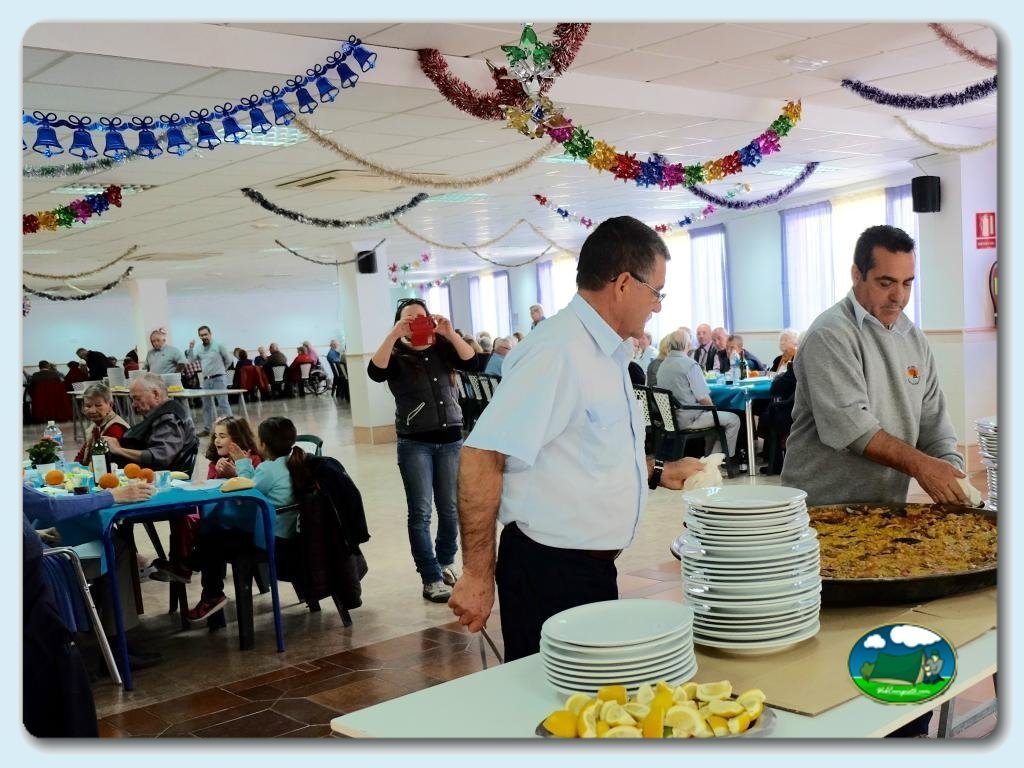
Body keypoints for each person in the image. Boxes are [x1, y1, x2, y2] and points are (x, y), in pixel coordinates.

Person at [448, 216, 704, 661]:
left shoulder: (605, 350)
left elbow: (589, 450)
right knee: (556, 709)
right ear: (624, 284)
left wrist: (660, 471)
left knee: (589, 708)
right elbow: (481, 455)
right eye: (656, 292)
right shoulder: (559, 351)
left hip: (587, 569)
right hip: (550, 572)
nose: (658, 306)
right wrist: (475, 574)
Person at [782, 225, 968, 740]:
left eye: (908, 283)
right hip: (825, 520)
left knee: (896, 651)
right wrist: (923, 468)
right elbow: (853, 430)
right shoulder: (829, 335)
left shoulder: (914, 338)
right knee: (836, 661)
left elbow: (935, 424)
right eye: (886, 282)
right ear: (856, 275)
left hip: (887, 526)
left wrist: (948, 467)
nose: (898, 295)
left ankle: (907, 732)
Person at [23, 481, 156, 736]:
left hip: (36, 561)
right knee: (116, 547)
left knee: (114, 544)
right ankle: (117, 646)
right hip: (44, 570)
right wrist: (113, 495)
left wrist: (33, 532)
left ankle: (113, 643)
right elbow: (49, 507)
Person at [368, 298, 477, 603]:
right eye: (409, 318)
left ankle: (445, 562)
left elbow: (472, 363)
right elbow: (375, 373)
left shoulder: (443, 347)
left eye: (421, 316)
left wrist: (450, 333)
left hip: (451, 439)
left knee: (450, 508)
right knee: (420, 512)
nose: (416, 321)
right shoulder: (397, 354)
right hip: (414, 442)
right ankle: (430, 577)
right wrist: (392, 336)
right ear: (399, 322)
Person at [187, 416, 300, 621]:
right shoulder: (292, 462)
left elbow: (247, 494)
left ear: (264, 444)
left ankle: (210, 592)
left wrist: (242, 463)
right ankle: (198, 573)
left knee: (211, 537)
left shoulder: (268, 469)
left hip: (269, 537)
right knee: (211, 536)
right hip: (289, 530)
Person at [657, 328, 741, 460]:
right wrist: (714, 408)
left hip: (670, 420)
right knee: (733, 420)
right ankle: (717, 462)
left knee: (715, 420)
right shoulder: (690, 365)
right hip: (689, 419)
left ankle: (708, 459)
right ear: (687, 345)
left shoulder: (662, 365)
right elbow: (703, 399)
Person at [105, 372, 199, 473]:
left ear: (156, 395)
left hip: (159, 480)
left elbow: (161, 457)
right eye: (132, 400)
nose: (133, 405)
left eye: (137, 399)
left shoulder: (169, 418)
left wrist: (118, 450)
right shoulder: (160, 415)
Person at [185, 325, 234, 436]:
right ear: (199, 337)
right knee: (206, 405)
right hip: (206, 380)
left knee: (223, 404)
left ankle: (231, 427)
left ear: (210, 334)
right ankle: (207, 429)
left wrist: (222, 370)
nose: (204, 337)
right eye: (201, 335)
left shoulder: (219, 345)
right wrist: (191, 348)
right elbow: (191, 360)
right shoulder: (198, 348)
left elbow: (229, 360)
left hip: (219, 378)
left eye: (206, 334)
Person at [73, 383, 130, 464]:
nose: (92, 411)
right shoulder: (96, 425)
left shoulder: (114, 428)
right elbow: (82, 454)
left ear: (110, 405)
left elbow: (106, 463)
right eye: (88, 406)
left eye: (98, 405)